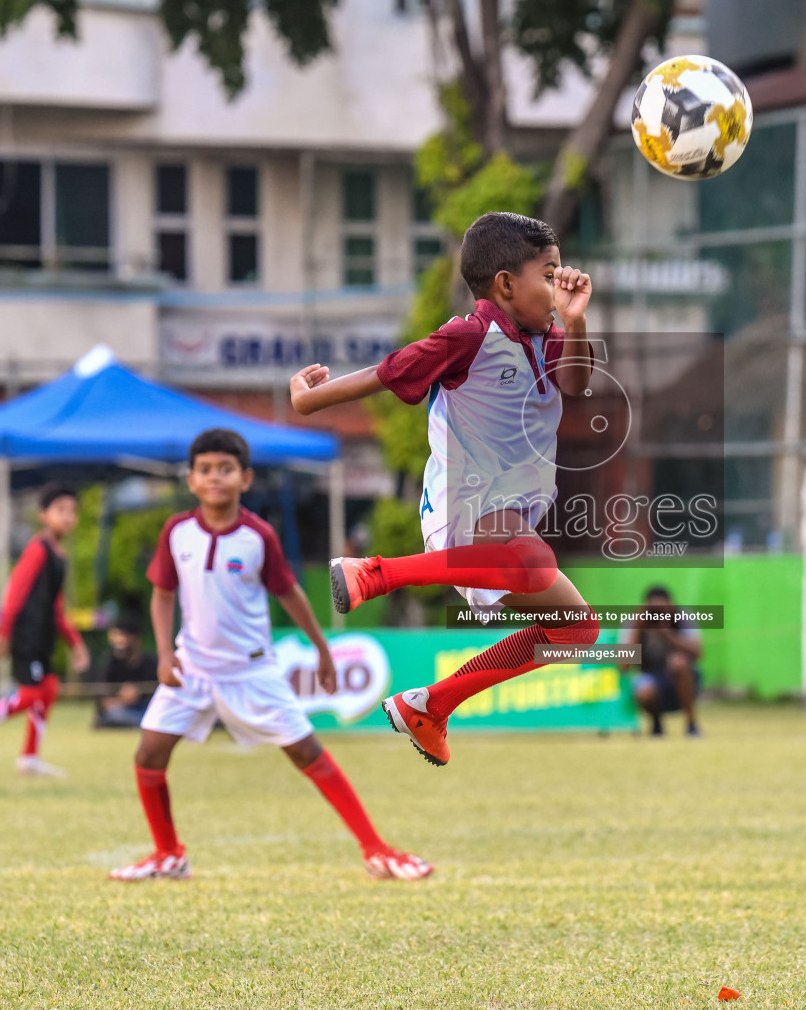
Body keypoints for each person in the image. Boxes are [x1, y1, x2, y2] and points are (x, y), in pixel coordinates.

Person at [289, 211, 601, 769]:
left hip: (505, 521)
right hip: (466, 507)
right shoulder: (468, 335)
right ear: (505, 284)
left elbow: (576, 383)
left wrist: (575, 320)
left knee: (578, 627)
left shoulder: (548, 338)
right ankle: (376, 573)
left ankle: (430, 707)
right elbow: (387, 372)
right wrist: (307, 399)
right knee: (531, 561)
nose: (560, 284)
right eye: (549, 274)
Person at [109, 428, 431, 882]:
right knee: (148, 754)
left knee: (306, 751)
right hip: (193, 669)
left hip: (250, 671)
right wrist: (164, 653)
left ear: (245, 478)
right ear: (190, 479)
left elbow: (291, 594)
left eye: (226, 469)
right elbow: (162, 595)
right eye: (205, 469)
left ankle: (376, 850)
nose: (214, 477)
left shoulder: (258, 536)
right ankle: (168, 854)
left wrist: (322, 650)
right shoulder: (176, 532)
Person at [0, 483, 90, 777]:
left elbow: (57, 607)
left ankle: (29, 758)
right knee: (32, 695)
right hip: (27, 634)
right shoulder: (38, 549)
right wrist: (4, 630)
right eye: (61, 510)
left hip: (43, 635)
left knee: (49, 689)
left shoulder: (59, 555)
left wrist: (76, 642)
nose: (68, 517)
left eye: (73, 511)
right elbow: (16, 590)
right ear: (43, 515)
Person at [619, 585, 704, 737]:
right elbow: (624, 665)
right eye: (654, 610)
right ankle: (656, 723)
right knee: (643, 688)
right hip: (651, 677)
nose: (657, 615)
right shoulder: (636, 621)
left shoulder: (681, 617)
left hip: (682, 679)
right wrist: (639, 628)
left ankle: (691, 723)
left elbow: (698, 653)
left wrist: (668, 635)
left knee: (679, 663)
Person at [92, 613, 158, 729]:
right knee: (114, 714)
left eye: (123, 635)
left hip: (145, 709)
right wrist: (122, 699)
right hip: (123, 710)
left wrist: (138, 693)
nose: (118, 641)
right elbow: (103, 703)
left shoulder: (150, 663)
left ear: (135, 638)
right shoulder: (110, 664)